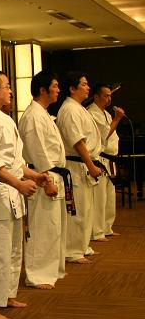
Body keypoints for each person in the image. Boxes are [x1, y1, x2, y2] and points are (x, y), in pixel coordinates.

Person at [0, 70, 47, 319]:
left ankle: (5, 295)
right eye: (6, 86)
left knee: (14, 248)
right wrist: (19, 184)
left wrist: (34, 176)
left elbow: (14, 163)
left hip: (11, 188)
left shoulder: (4, 118)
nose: (11, 91)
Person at [18, 71, 69, 289]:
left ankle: (51, 269)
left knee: (54, 227)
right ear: (42, 90)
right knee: (42, 227)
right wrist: (46, 180)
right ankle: (37, 274)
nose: (58, 90)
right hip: (41, 175)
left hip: (52, 174)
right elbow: (37, 150)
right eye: (54, 86)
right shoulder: (33, 116)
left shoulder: (43, 114)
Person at [56, 72, 103, 264]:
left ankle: (82, 246)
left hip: (84, 163)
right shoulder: (69, 109)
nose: (88, 87)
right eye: (83, 84)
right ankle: (73, 250)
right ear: (72, 88)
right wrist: (90, 164)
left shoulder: (78, 108)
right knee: (78, 210)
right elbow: (77, 141)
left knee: (87, 209)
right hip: (76, 164)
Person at [88, 84, 124, 239]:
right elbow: (104, 135)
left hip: (110, 159)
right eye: (106, 95)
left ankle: (107, 227)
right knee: (100, 197)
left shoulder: (107, 114)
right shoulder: (92, 113)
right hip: (100, 158)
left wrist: (114, 118)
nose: (109, 99)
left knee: (109, 196)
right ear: (96, 97)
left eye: (110, 95)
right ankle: (97, 231)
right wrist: (117, 119)